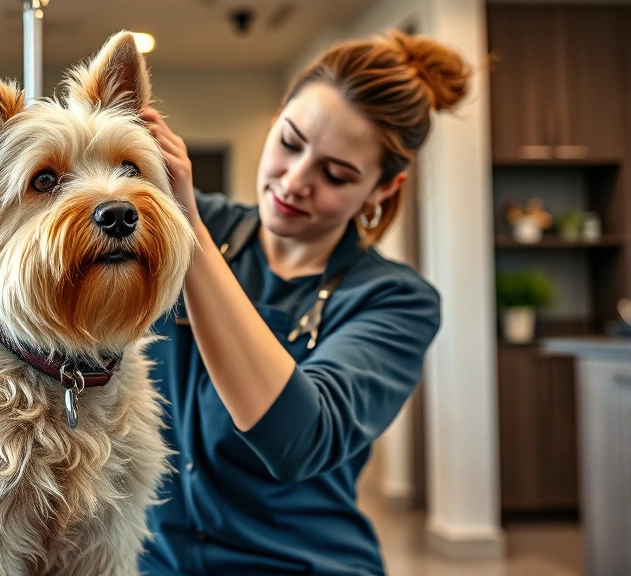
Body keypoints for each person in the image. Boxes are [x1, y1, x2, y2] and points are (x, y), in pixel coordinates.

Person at [138, 30, 472, 576]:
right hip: (152, 562)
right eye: (290, 143)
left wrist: (187, 231)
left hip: (298, 564)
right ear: (275, 123)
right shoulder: (205, 224)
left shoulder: (396, 302)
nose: (294, 182)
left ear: (383, 190)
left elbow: (298, 439)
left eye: (336, 174)